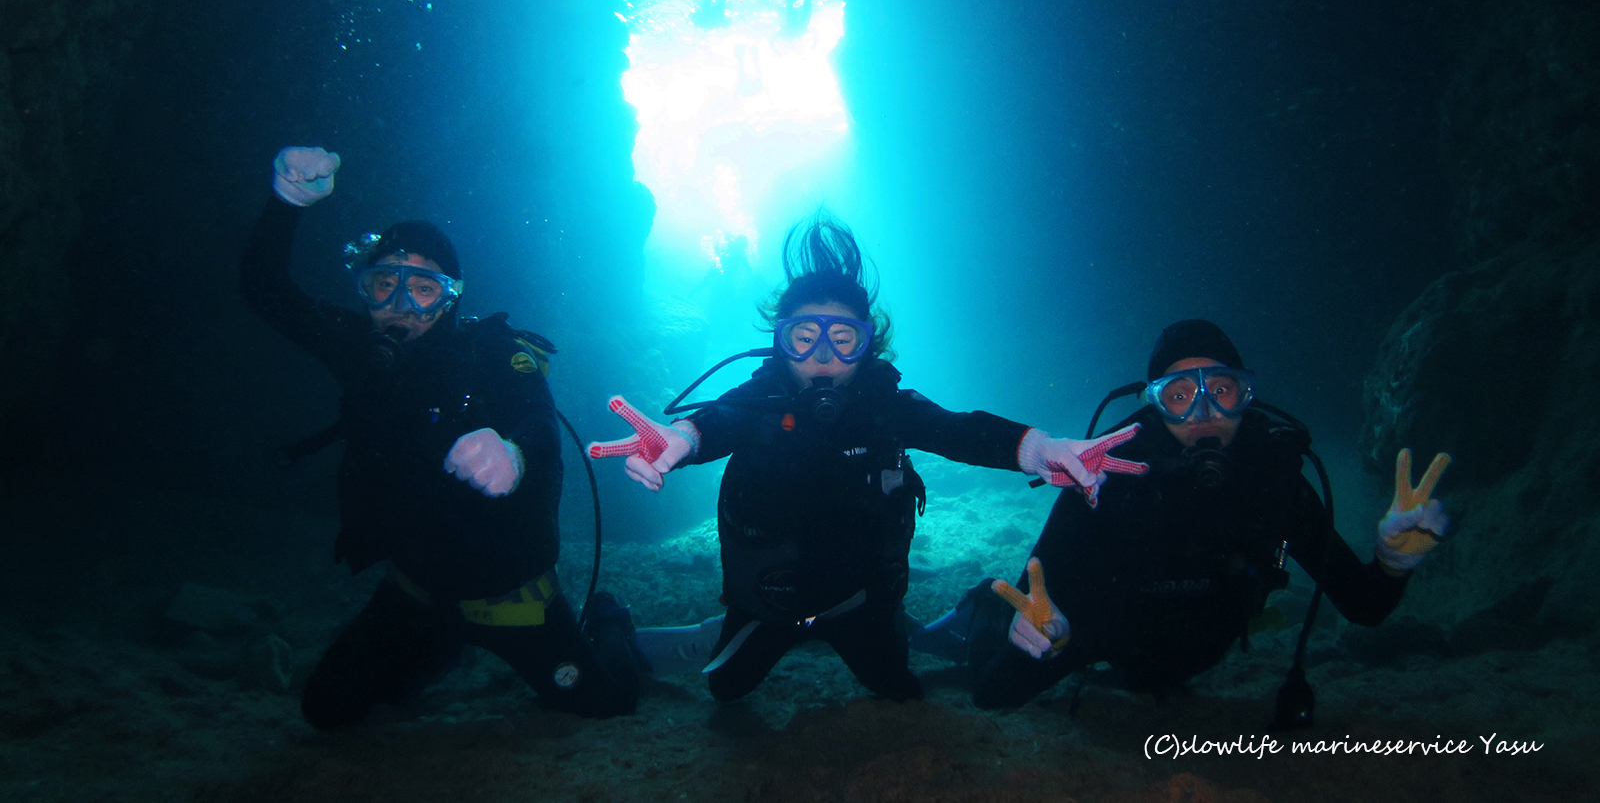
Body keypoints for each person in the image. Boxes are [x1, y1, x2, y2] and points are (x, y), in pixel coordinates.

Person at [585, 216, 1141, 702]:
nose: (823, 356)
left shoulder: (885, 407)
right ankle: (711, 629)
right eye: (804, 336)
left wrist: (1039, 449)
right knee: (726, 692)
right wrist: (679, 440)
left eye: (843, 338)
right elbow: (718, 421)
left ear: (868, 345)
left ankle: (963, 615)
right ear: (780, 345)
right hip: (767, 606)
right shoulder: (759, 401)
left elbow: (958, 430)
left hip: (860, 606)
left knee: (899, 691)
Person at [241, 146, 638, 728]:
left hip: (513, 603)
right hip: (414, 593)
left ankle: (607, 619)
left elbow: (541, 427)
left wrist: (515, 454)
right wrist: (286, 204)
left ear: (451, 296)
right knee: (325, 711)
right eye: (384, 285)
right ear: (365, 289)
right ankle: (438, 653)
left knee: (610, 706)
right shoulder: (359, 351)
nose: (400, 306)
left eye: (423, 289)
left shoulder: (493, 357)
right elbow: (264, 290)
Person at [945, 319, 1450, 710]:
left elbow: (1364, 607)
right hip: (1097, 632)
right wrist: (1034, 629)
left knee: (1147, 679)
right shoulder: (1106, 473)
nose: (1203, 413)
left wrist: (1392, 564)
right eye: (1179, 395)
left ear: (1245, 394)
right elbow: (1037, 589)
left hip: (1197, 649)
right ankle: (982, 606)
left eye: (1222, 389)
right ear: (1155, 405)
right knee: (995, 694)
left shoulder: (1272, 481)